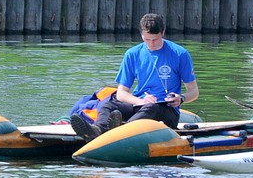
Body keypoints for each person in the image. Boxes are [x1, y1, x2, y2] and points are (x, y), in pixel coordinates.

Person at [70, 12, 199, 140]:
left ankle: (121, 132)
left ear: (163, 33)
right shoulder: (132, 54)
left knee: (151, 108)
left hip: (167, 111)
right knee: (109, 105)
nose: (151, 44)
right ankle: (97, 130)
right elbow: (121, 93)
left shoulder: (180, 54)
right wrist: (141, 101)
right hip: (140, 105)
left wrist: (181, 98)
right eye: (147, 39)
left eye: (155, 39)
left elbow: (194, 92)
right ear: (141, 34)